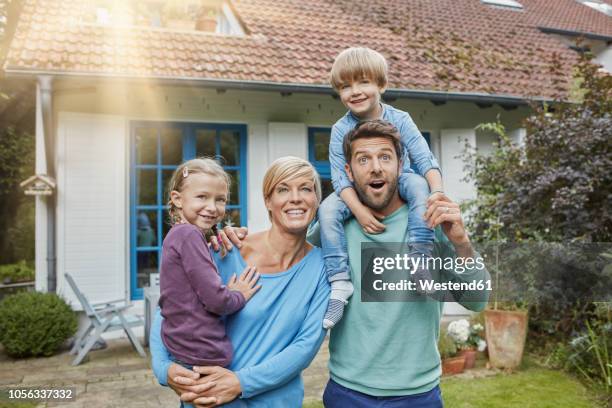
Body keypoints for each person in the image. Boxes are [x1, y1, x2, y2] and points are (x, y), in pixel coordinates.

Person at [316, 119, 490, 407]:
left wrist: (461, 243)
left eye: (385, 157)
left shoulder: (432, 222)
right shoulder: (333, 228)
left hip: (418, 395)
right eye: (363, 159)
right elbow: (285, 266)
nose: (375, 167)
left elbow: (477, 300)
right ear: (348, 171)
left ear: (400, 164)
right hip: (347, 393)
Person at [150, 156, 330, 407]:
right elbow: (169, 308)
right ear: (268, 201)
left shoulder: (323, 267)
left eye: (306, 189)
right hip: (207, 400)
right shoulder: (225, 248)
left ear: (317, 200)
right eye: (282, 189)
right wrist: (164, 369)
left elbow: (305, 345)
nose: (295, 198)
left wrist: (240, 382)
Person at [320, 47, 444, 329]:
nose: (355, 91)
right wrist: (360, 211)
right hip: (354, 190)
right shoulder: (340, 130)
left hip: (402, 177)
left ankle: (419, 259)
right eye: (345, 86)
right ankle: (340, 283)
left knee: (419, 185)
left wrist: (436, 191)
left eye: (363, 82)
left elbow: (424, 158)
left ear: (382, 85)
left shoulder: (400, 119)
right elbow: (340, 178)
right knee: (326, 210)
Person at [159, 158, 261, 397]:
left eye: (220, 199)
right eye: (202, 197)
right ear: (177, 199)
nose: (212, 207)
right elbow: (216, 300)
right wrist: (239, 295)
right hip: (202, 353)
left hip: (181, 347)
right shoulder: (189, 236)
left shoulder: (178, 236)